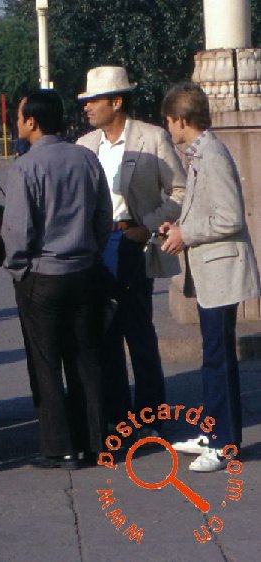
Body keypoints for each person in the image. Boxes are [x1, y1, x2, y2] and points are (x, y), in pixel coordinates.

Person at [2, 90, 112, 469]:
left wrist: (18, 266)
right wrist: (91, 250)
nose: (17, 124)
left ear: (32, 121)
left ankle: (61, 445)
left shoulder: (26, 166)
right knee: (86, 357)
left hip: (43, 273)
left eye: (19, 117)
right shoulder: (86, 158)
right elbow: (103, 215)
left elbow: (17, 229)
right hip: (83, 268)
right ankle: (98, 440)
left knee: (45, 362)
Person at [77, 67, 187, 434]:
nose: (88, 108)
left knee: (138, 330)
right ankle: (117, 415)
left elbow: (180, 191)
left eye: (94, 101)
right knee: (103, 332)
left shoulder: (151, 138)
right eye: (86, 101)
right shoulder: (85, 145)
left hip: (132, 240)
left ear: (117, 101)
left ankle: (151, 416)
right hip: (96, 244)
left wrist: (150, 226)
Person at [158, 83, 261, 472]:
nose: (169, 128)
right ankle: (216, 430)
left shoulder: (212, 154)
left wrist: (187, 233)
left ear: (183, 120)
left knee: (218, 358)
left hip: (221, 272)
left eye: (170, 121)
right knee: (214, 355)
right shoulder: (204, 152)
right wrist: (179, 224)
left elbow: (230, 217)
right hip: (212, 272)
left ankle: (223, 442)